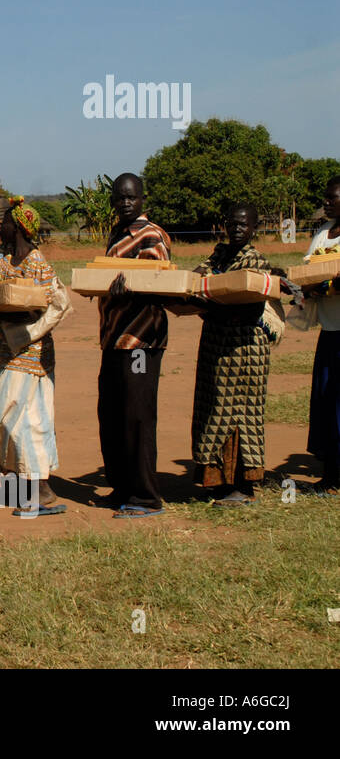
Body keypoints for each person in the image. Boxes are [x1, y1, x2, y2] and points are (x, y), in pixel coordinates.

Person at [0, 200, 63, 516]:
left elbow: (51, 306)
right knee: (15, 418)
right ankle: (39, 487)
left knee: (21, 420)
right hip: (7, 352)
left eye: (4, 223)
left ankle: (37, 488)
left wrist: (27, 314)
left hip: (32, 355)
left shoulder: (38, 263)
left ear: (18, 227)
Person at [189, 204, 282, 505]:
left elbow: (249, 298)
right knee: (211, 407)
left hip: (244, 348)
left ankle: (242, 484)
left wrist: (212, 296)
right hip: (216, 343)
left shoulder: (256, 260)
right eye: (232, 223)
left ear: (254, 227)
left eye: (244, 224)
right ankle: (216, 480)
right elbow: (196, 280)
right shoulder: (217, 256)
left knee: (241, 412)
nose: (237, 228)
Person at [96, 174, 171, 518]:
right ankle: (123, 486)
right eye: (120, 197)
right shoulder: (115, 235)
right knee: (112, 415)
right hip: (113, 339)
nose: (125, 203)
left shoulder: (151, 235)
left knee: (137, 415)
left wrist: (134, 287)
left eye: (131, 197)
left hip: (140, 341)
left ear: (143, 199)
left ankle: (145, 496)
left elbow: (160, 278)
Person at [303, 176, 340, 493]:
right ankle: (330, 474)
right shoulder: (322, 235)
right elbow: (307, 275)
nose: (326, 202)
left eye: (332, 197)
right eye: (325, 197)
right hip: (329, 330)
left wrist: (324, 284)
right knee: (326, 401)